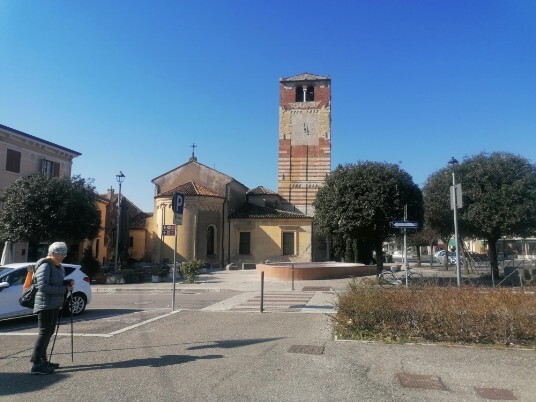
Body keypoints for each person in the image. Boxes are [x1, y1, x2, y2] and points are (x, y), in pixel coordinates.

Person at [29, 242, 74, 375]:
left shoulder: (57, 266)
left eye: (64, 255)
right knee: (44, 333)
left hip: (53, 304)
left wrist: (66, 283)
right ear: (52, 252)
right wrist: (63, 288)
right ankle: (36, 364)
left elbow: (55, 282)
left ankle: (43, 361)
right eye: (61, 254)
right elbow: (42, 287)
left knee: (48, 333)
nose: (63, 257)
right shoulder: (45, 265)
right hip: (45, 304)